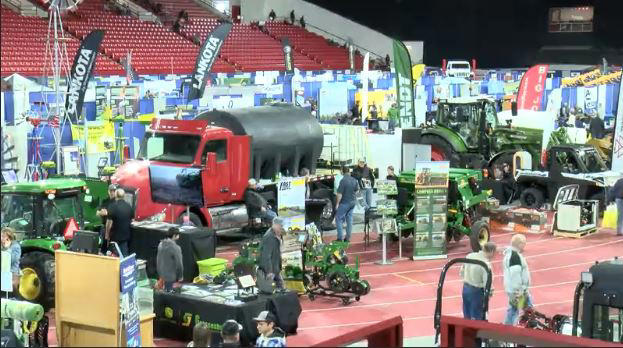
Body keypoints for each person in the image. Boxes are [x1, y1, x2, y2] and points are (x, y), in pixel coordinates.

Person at [461, 242, 497, 320]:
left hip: (465, 288)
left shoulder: (469, 256)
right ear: (491, 252)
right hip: (477, 292)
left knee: (466, 315)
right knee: (478, 317)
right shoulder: (486, 264)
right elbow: (488, 283)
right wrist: (489, 295)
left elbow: (461, 272)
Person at [503, 234, 532, 325]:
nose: (525, 245)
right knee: (525, 309)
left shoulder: (510, 254)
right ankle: (508, 330)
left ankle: (507, 328)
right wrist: (520, 291)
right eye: (524, 243)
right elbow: (515, 275)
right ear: (520, 244)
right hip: (518, 291)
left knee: (515, 308)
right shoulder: (514, 256)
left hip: (514, 290)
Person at [258, 217, 285, 290]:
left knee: (280, 290)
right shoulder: (269, 237)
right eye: (280, 226)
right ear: (275, 225)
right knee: (276, 290)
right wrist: (269, 271)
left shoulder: (275, 235)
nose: (281, 228)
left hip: (275, 268)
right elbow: (266, 256)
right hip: (271, 270)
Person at [105, 188, 133, 257]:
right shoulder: (129, 206)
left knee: (113, 256)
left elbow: (109, 223)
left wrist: (107, 234)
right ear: (123, 196)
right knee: (124, 256)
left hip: (115, 237)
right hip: (125, 237)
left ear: (116, 195)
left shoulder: (112, 206)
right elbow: (132, 220)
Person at [335, 166, 359, 242]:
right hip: (352, 202)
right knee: (349, 220)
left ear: (342, 171)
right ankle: (347, 238)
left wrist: (337, 204)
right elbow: (357, 191)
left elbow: (339, 194)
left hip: (345, 203)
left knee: (338, 219)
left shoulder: (343, 180)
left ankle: (339, 238)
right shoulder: (354, 180)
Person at [157, 227, 184, 292]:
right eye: (178, 235)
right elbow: (179, 264)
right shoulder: (176, 248)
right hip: (170, 277)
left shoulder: (160, 244)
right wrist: (180, 277)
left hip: (161, 275)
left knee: (163, 293)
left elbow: (158, 259)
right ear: (175, 236)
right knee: (169, 295)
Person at [96, 184, 117, 253]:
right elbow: (97, 213)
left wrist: (107, 213)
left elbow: (110, 214)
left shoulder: (117, 202)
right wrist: (103, 213)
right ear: (108, 191)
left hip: (114, 228)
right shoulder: (105, 201)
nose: (112, 192)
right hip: (104, 226)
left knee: (113, 247)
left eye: (113, 191)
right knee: (103, 246)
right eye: (111, 191)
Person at [1, 227, 21, 294]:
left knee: (11, 294)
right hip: (4, 272)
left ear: (8, 238)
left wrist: (7, 248)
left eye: (3, 236)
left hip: (12, 274)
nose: (1, 238)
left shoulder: (15, 246)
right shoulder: (2, 246)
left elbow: (10, 260)